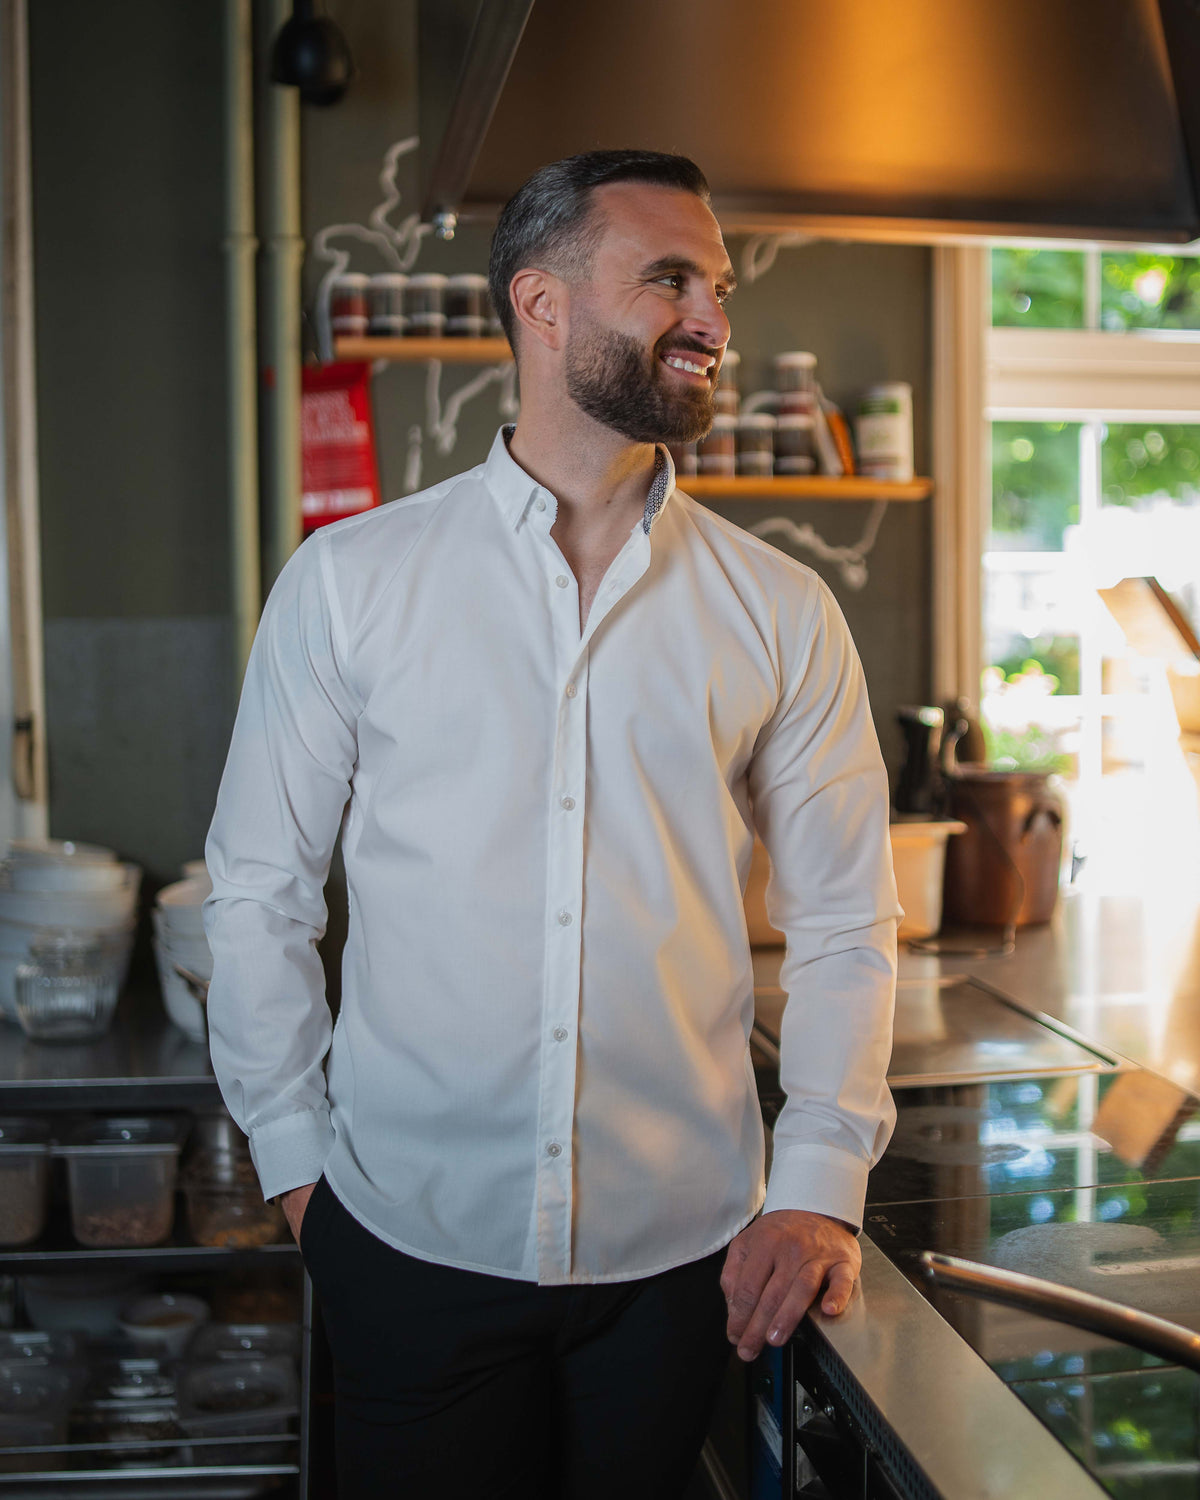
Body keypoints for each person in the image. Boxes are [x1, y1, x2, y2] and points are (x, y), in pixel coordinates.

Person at [204, 149, 899, 1499]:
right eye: (671, 280)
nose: (714, 319)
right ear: (543, 304)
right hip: (406, 1241)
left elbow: (845, 920)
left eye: (720, 285)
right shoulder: (350, 584)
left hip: (680, 1258)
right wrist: (298, 1166)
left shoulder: (783, 610)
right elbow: (255, 893)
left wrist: (816, 1181)